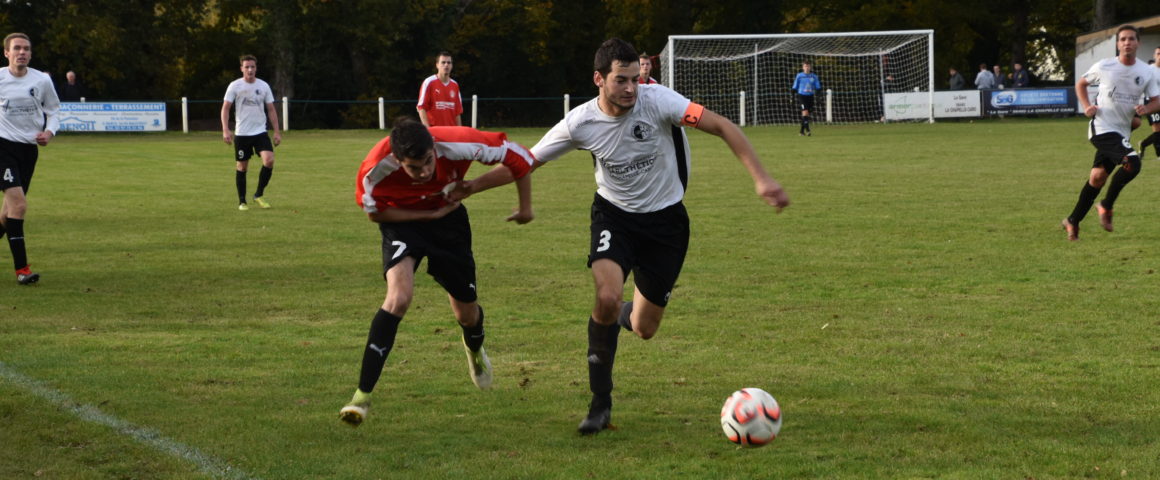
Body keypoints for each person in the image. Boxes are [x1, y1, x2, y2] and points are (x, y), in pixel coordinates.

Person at [528, 38, 790, 435]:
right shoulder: (580, 122)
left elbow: (722, 126)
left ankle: (623, 314)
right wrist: (468, 186)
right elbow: (527, 160)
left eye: (636, 79)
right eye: (621, 80)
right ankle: (600, 404)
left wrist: (762, 179)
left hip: (666, 224)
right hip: (614, 216)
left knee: (644, 328)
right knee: (605, 296)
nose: (631, 88)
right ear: (599, 79)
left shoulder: (661, 101)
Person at [339, 118, 535, 427]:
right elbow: (375, 213)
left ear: (433, 147)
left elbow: (522, 158)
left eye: (428, 161)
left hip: (449, 224)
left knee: (467, 314)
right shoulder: (374, 169)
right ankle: (361, 397)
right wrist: (426, 215)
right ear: (397, 160)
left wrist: (525, 207)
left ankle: (474, 349)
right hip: (403, 223)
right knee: (398, 298)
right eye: (414, 168)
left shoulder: (457, 142)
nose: (425, 172)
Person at [1061, 25, 1160, 241]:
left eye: (1131, 39)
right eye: (1123, 39)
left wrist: (1146, 109)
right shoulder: (1104, 66)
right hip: (1102, 128)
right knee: (1133, 163)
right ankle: (1106, 206)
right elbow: (1081, 84)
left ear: (1138, 43)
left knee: (1097, 178)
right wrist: (1087, 106)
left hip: (1122, 132)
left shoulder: (1147, 72)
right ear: (1118, 44)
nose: (1127, 42)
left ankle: (1072, 220)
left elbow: (1157, 101)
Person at [0, 33, 58, 286]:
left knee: (8, 212)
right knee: (19, 205)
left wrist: (49, 132)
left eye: (26, 48)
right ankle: (22, 270)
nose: (21, 52)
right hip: (2, 147)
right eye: (17, 48)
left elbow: (53, 110)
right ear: (7, 53)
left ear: (31, 54)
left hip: (28, 150)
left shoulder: (42, 80)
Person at [221, 54, 281, 211]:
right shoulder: (235, 86)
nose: (250, 70)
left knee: (269, 160)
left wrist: (276, 132)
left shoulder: (263, 86)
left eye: (252, 67)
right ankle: (242, 201)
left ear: (256, 68)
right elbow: (225, 108)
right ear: (241, 68)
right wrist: (225, 129)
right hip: (242, 134)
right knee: (242, 167)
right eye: (247, 67)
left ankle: (258, 195)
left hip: (260, 132)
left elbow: (271, 109)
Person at [416, 51, 463, 127]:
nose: (446, 65)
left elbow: (457, 112)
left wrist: (459, 130)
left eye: (449, 63)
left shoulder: (455, 85)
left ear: (452, 66)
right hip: (435, 130)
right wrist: (427, 130)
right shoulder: (429, 82)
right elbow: (421, 107)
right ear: (437, 65)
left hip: (451, 130)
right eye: (443, 62)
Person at [1139, 49, 1160, 158]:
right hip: (1151, 102)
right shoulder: (1149, 70)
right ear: (1154, 55)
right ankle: (1159, 154)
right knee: (1157, 128)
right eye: (1158, 54)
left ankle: (1143, 144)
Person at [791, 61, 821, 136]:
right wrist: (792, 97)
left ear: (810, 67)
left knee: (806, 115)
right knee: (805, 111)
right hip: (802, 96)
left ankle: (801, 131)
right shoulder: (799, 76)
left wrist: (818, 97)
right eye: (805, 66)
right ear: (803, 67)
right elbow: (794, 87)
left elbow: (818, 87)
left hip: (810, 96)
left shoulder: (814, 76)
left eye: (808, 66)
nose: (807, 68)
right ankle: (808, 130)